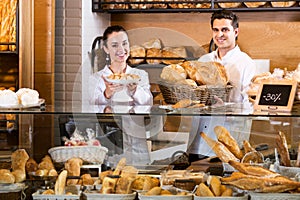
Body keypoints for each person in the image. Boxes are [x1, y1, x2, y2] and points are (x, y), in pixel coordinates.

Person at [187, 10, 256, 162]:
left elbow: (250, 106)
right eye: (216, 30)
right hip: (198, 142)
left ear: (236, 31)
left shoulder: (246, 63)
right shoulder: (204, 60)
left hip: (227, 142)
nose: (220, 35)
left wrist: (225, 107)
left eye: (225, 30)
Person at [88, 25, 158, 165]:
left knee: (140, 178)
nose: (121, 49)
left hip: (136, 139)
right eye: (114, 45)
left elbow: (148, 103)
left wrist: (134, 91)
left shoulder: (139, 75)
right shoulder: (96, 78)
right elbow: (92, 109)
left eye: (125, 43)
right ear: (106, 49)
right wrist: (107, 94)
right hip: (108, 140)